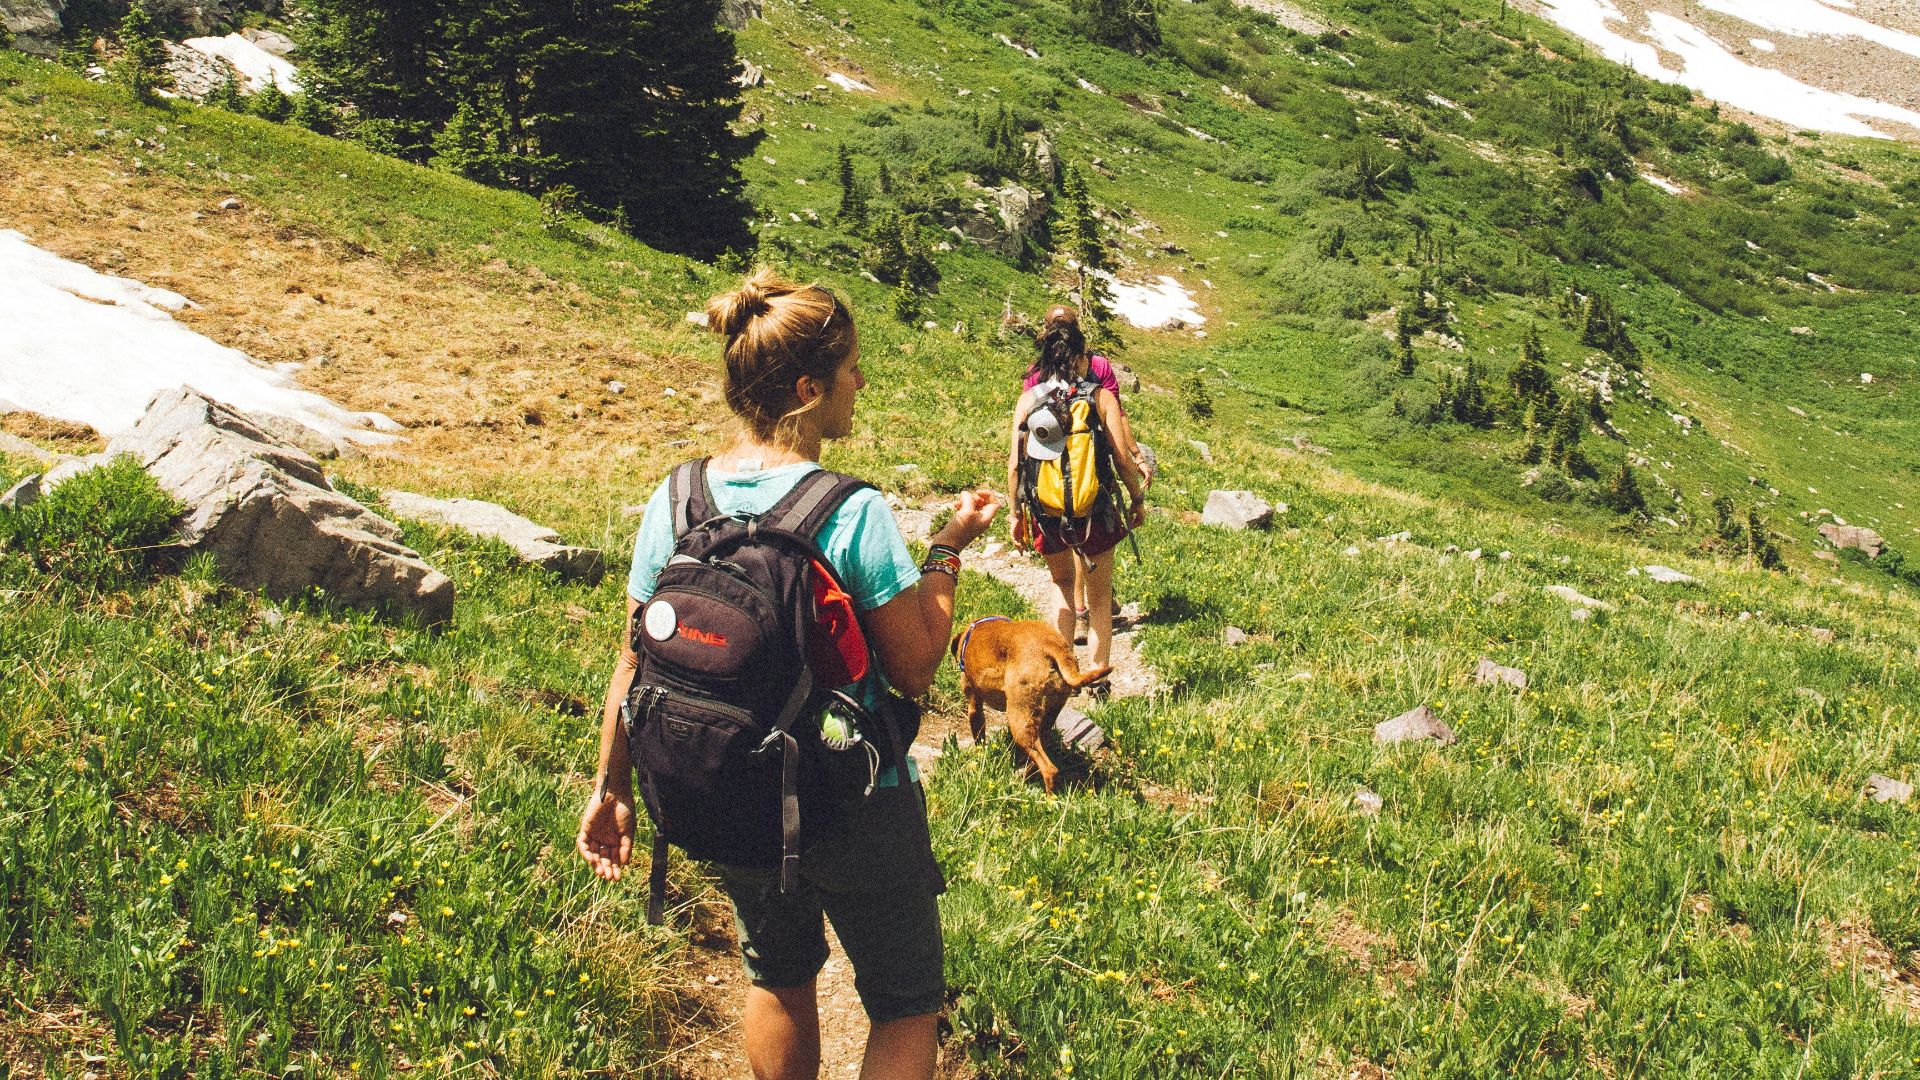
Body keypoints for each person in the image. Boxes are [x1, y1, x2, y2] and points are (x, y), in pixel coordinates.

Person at [577, 268, 999, 1080]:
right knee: (907, 1002)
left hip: (733, 788)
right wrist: (945, 552)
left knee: (778, 974)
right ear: (810, 389)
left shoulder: (677, 497)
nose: (861, 384)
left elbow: (634, 658)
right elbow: (914, 669)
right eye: (849, 372)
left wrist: (612, 786)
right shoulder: (849, 510)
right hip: (856, 798)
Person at [1008, 312, 1146, 672]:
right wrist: (1136, 499)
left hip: (1045, 510)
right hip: (1094, 508)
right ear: (1082, 357)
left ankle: (1062, 674)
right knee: (1100, 599)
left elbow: (1014, 465)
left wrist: (1015, 513)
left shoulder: (1028, 401)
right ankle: (1098, 676)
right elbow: (1120, 457)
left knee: (1062, 586)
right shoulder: (1100, 398)